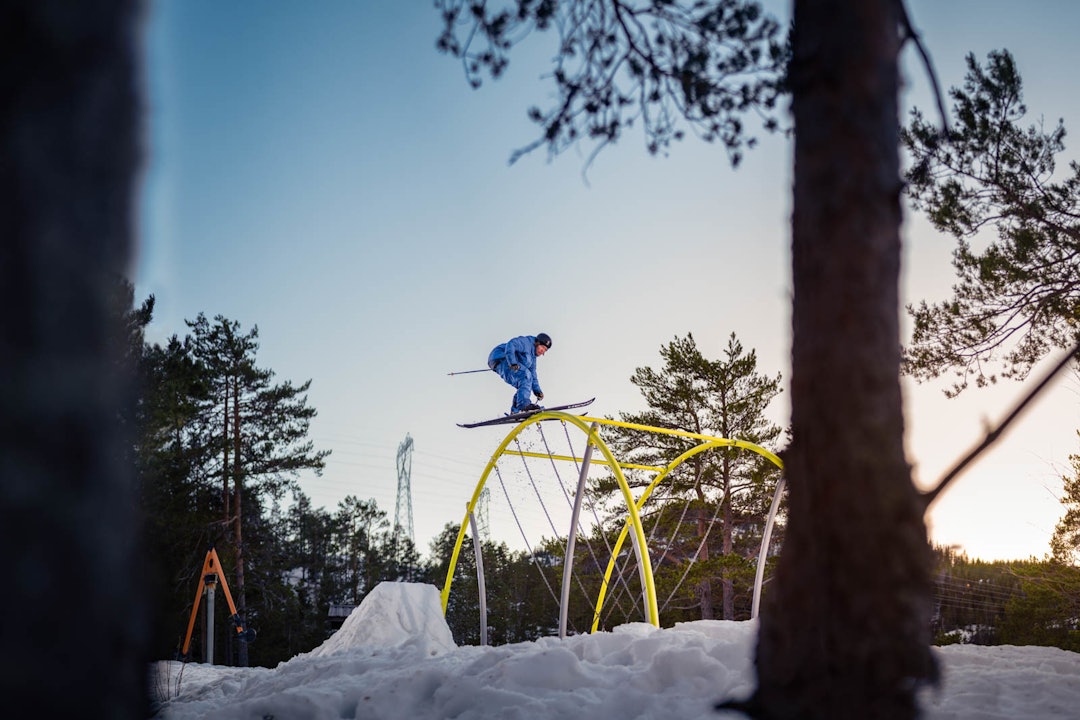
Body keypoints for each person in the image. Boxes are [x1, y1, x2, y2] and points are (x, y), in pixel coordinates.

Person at [487, 333, 552, 414]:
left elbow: (533, 375)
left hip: (505, 362)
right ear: (537, 343)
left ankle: (516, 410)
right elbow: (512, 344)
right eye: (542, 347)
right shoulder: (527, 343)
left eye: (545, 350)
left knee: (525, 381)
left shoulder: (532, 358)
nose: (543, 351)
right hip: (501, 358)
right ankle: (523, 406)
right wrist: (512, 362)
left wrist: (537, 390)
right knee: (525, 375)